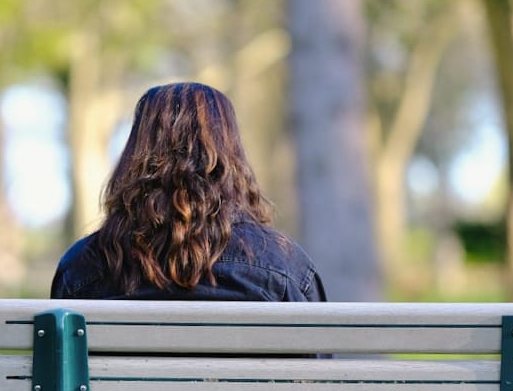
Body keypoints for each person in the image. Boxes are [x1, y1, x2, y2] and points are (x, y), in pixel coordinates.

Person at [51, 82, 327, 302]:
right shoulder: (282, 265)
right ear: (231, 154)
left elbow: (58, 366)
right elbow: (319, 367)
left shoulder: (82, 268)